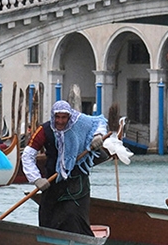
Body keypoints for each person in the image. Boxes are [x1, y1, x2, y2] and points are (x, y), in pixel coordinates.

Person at [21, 100, 108, 236]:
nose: (60, 121)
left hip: (76, 182)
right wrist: (36, 179)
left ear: (69, 117)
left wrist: (98, 135)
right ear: (53, 116)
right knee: (47, 220)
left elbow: (99, 122)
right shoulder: (44, 130)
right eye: (57, 117)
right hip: (52, 182)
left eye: (64, 117)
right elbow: (27, 155)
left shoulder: (80, 122)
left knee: (72, 217)